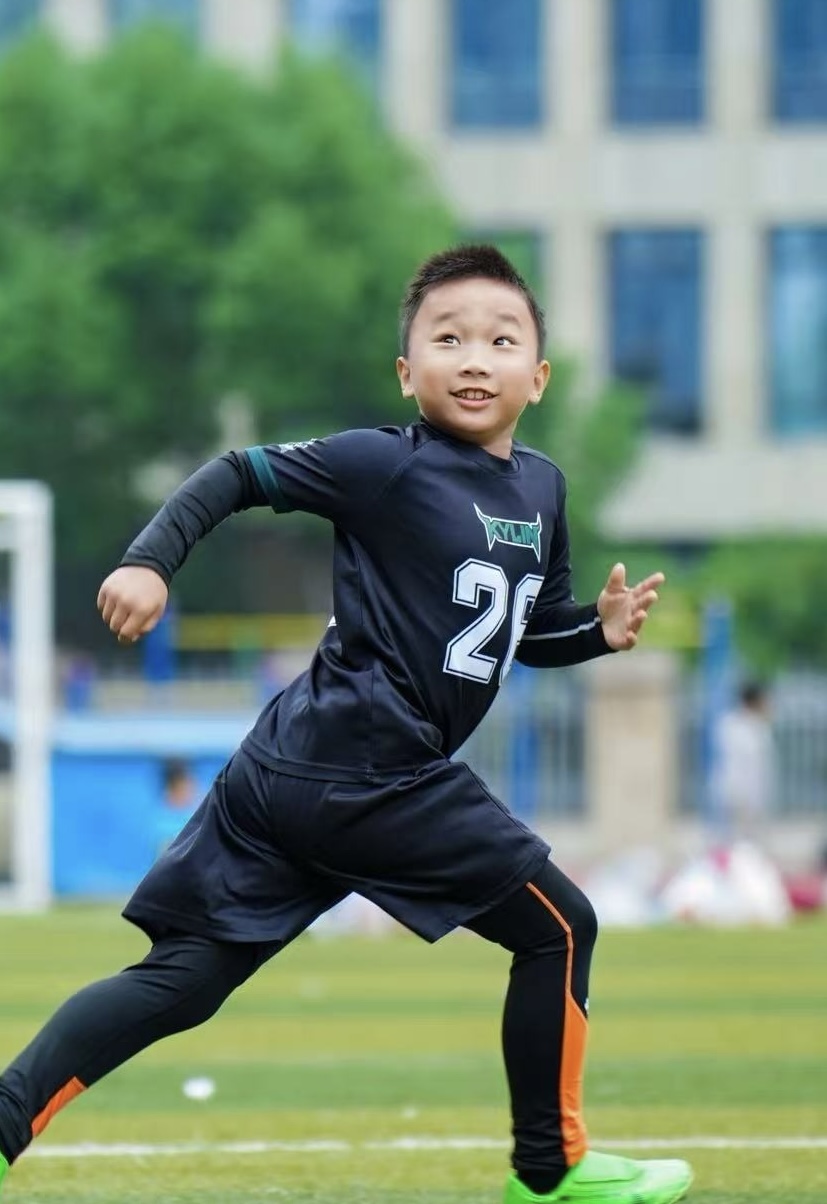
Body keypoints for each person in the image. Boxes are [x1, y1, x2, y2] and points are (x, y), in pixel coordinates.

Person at [0, 246, 692, 1204]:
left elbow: (524, 634)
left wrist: (597, 634)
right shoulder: (384, 463)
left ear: (538, 377)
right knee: (559, 929)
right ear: (407, 372)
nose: (474, 358)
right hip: (368, 766)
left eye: (500, 340)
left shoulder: (542, 490)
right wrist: (149, 560)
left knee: (187, 977)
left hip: (301, 765)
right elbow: (236, 473)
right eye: (447, 339)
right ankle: (550, 1169)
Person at [710, 680, 775, 848]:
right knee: (735, 841)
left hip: (752, 795)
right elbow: (740, 763)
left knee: (750, 842)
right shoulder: (733, 725)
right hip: (737, 792)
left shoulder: (758, 727)